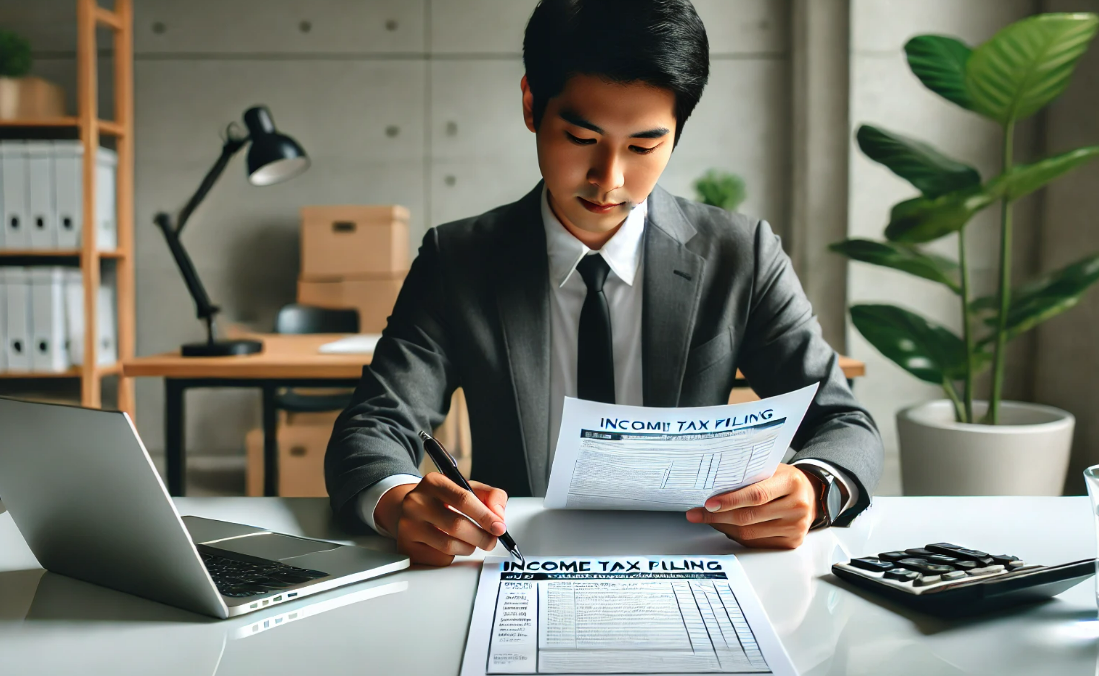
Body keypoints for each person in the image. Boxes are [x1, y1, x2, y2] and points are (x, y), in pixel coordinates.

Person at [325, 0, 883, 566]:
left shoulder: (741, 256)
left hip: (693, 564)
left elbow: (843, 421)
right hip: (513, 567)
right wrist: (398, 502)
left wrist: (814, 489)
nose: (609, 179)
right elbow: (375, 424)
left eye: (643, 147)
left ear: (676, 133)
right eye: (581, 138)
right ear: (530, 105)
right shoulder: (459, 259)